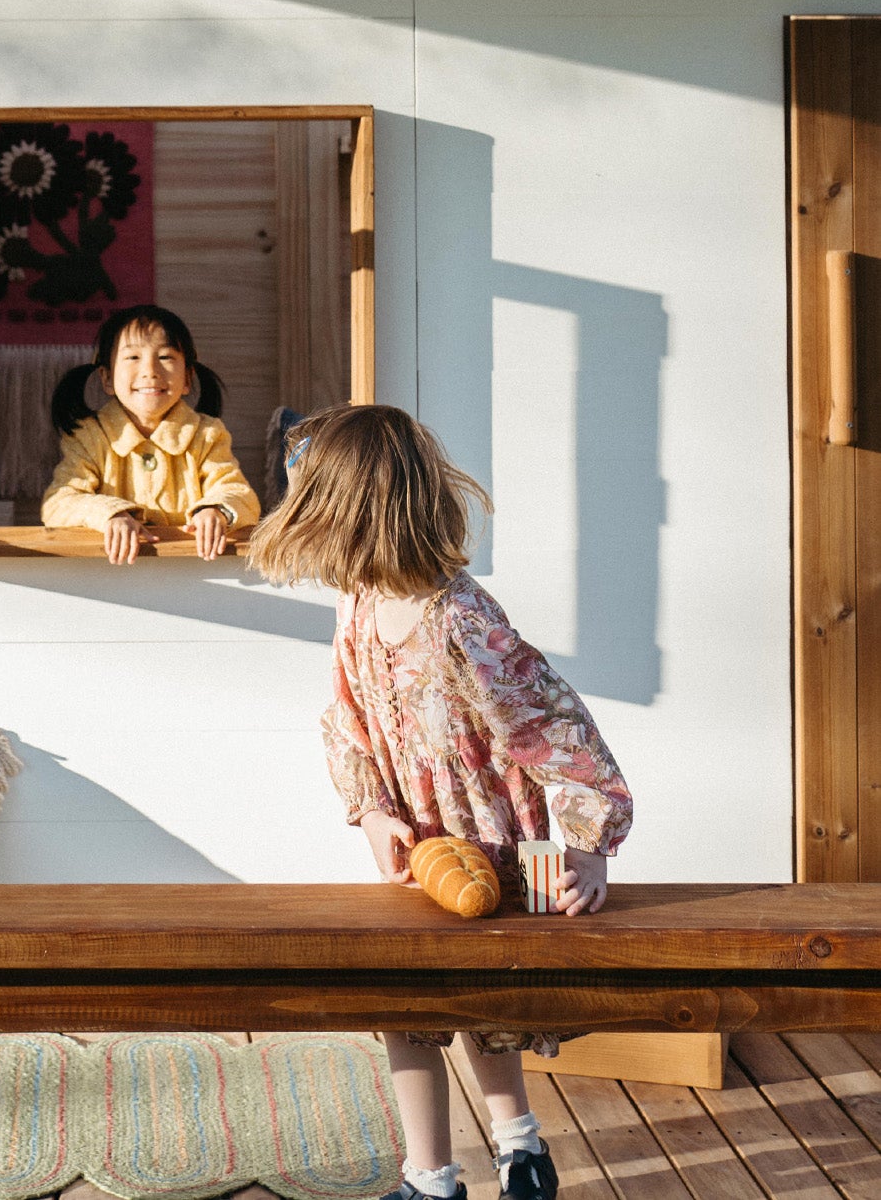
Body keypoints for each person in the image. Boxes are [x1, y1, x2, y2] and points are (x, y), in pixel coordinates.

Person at [247, 404, 633, 1200]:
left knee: (486, 1012)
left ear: (358, 511)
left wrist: (590, 837)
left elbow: (547, 719)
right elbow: (346, 717)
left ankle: (521, 1150)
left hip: (491, 842)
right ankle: (430, 1178)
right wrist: (372, 809)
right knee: (405, 1008)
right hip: (416, 850)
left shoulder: (459, 618)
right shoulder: (357, 605)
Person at [41, 304, 260, 564]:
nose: (150, 371)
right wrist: (111, 515)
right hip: (112, 573)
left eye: (166, 357)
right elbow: (57, 503)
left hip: (190, 572)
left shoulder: (207, 434)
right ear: (107, 378)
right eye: (133, 358)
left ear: (188, 378)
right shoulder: (89, 436)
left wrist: (216, 511)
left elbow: (241, 495)